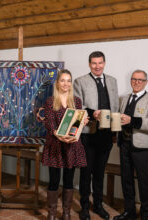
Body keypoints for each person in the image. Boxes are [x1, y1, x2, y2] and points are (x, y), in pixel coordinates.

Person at [73, 51, 119, 220]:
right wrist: (94, 113)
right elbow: (78, 106)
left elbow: (115, 107)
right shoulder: (80, 81)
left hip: (106, 135)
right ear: (89, 64)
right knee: (86, 173)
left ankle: (98, 205)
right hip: (88, 134)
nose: (97, 66)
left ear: (104, 63)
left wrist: (115, 133)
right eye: (94, 63)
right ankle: (84, 207)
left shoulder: (113, 81)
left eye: (100, 63)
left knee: (100, 173)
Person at [113, 70, 148, 220]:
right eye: (134, 79)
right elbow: (117, 120)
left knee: (143, 181)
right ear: (131, 81)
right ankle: (129, 212)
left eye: (140, 80)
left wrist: (131, 120)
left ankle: (145, 214)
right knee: (126, 180)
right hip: (124, 145)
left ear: (146, 82)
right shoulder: (124, 98)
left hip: (142, 148)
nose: (137, 82)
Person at [42, 69, 88, 220]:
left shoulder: (77, 101)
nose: (66, 83)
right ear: (57, 83)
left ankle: (66, 213)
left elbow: (76, 124)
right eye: (63, 80)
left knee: (69, 180)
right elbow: (49, 123)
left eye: (68, 80)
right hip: (55, 144)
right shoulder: (50, 101)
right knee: (54, 180)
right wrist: (58, 135)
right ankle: (52, 213)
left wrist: (82, 122)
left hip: (71, 145)